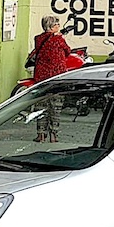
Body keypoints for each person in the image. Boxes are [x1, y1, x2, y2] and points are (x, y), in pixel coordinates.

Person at [33, 14, 72, 142]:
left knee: (41, 106)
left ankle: (41, 134)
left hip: (42, 77)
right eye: (57, 24)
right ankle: (53, 135)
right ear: (52, 26)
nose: (59, 26)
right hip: (57, 77)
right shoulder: (58, 39)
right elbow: (68, 51)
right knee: (55, 107)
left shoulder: (38, 39)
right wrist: (59, 37)